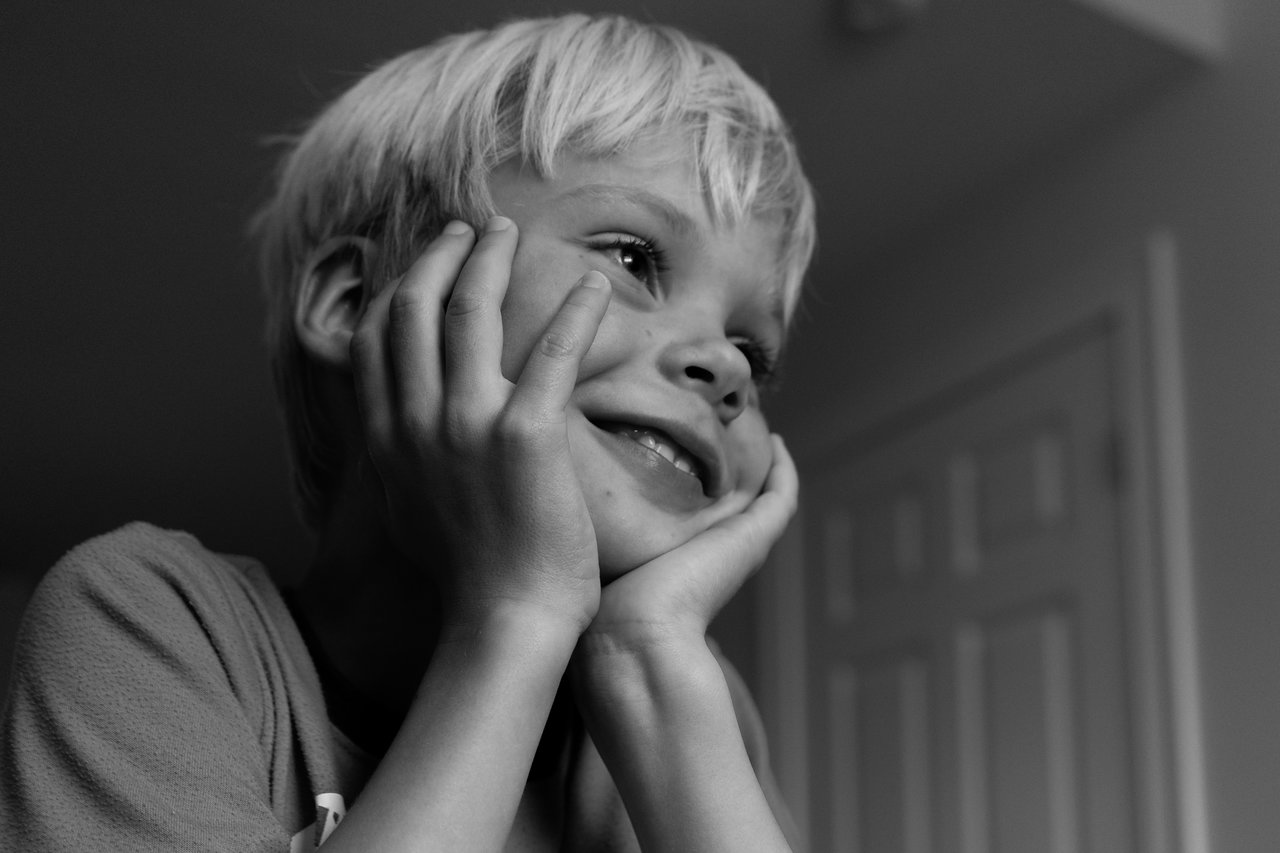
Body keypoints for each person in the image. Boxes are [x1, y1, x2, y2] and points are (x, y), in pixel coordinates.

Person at [0, 13, 816, 851]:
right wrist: (517, 614)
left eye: (756, 348)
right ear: (354, 304)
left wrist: (650, 659)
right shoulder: (149, 619)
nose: (727, 365)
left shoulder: (685, 695)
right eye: (635, 258)